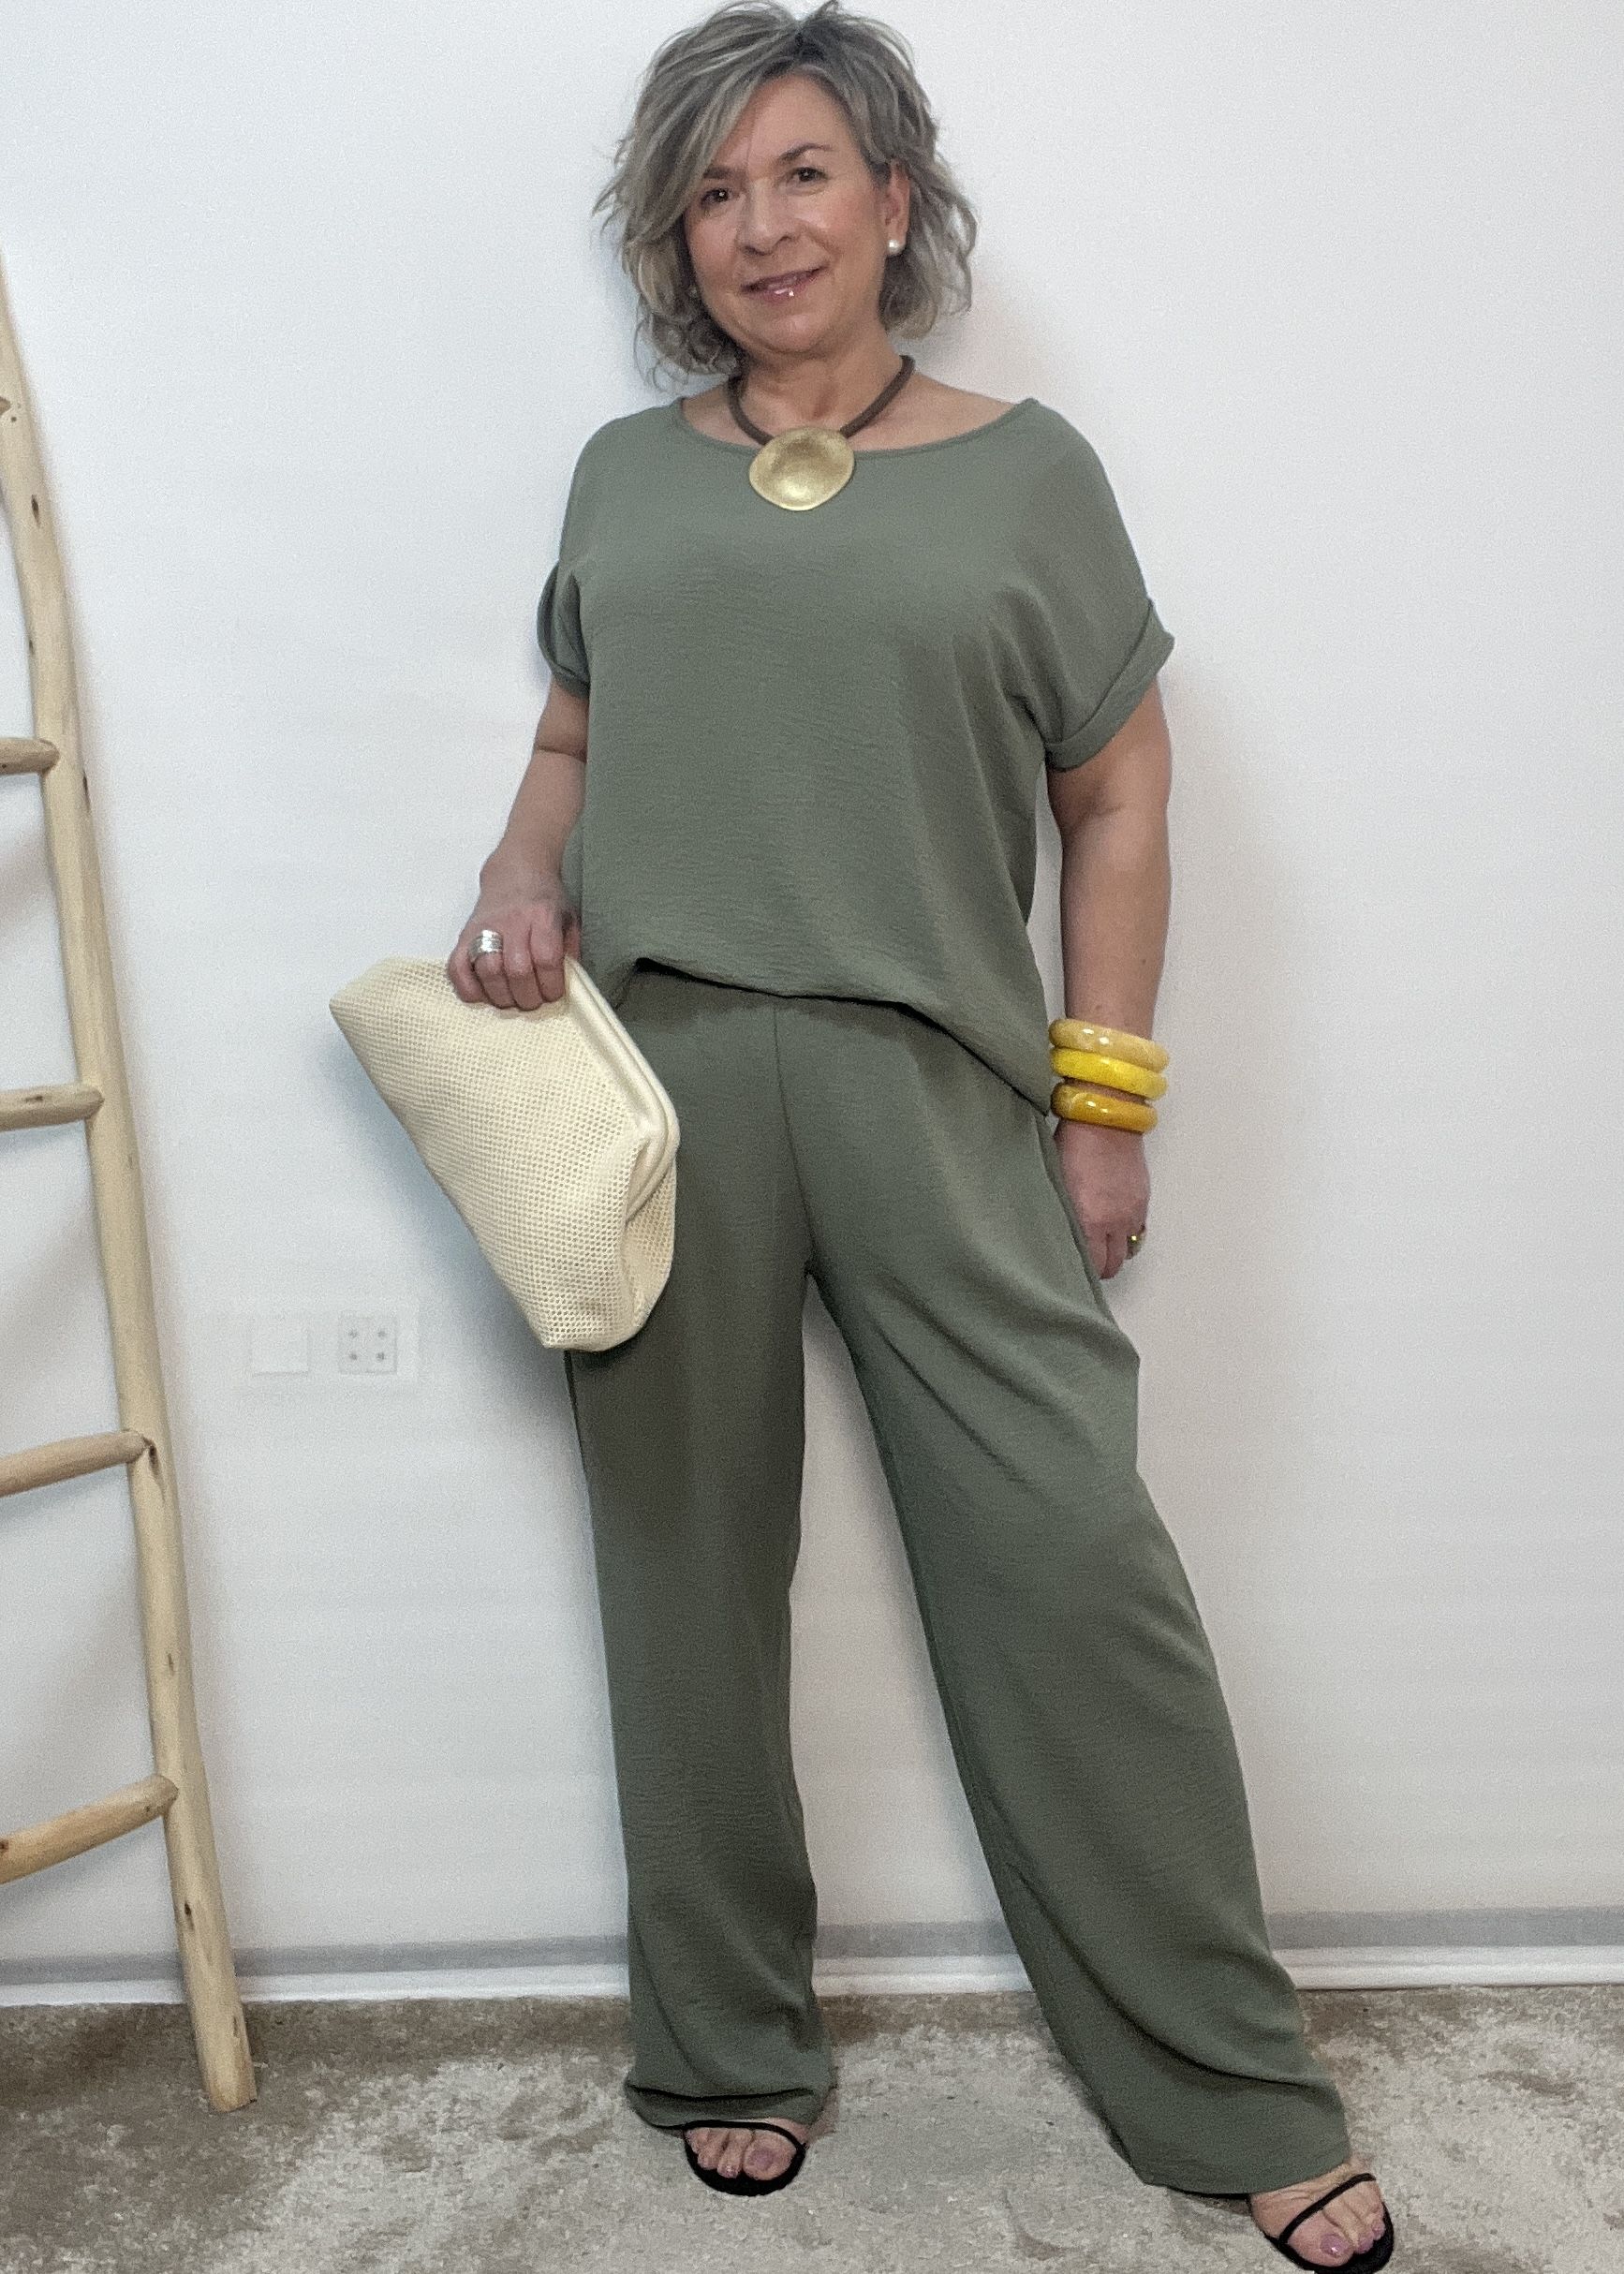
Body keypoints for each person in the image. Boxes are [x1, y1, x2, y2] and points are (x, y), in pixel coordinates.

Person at [450, 6, 1395, 2266]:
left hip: (937, 1076)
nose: (760, 224)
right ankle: (726, 2041)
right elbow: (572, 743)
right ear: (674, 235)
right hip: (659, 1080)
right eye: (713, 189)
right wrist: (514, 873)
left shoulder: (1026, 472)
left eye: (801, 172)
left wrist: (1107, 1097)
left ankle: (1228, 2082)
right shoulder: (624, 473)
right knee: (683, 1580)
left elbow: (1120, 793)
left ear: (894, 198)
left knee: (1071, 1563)